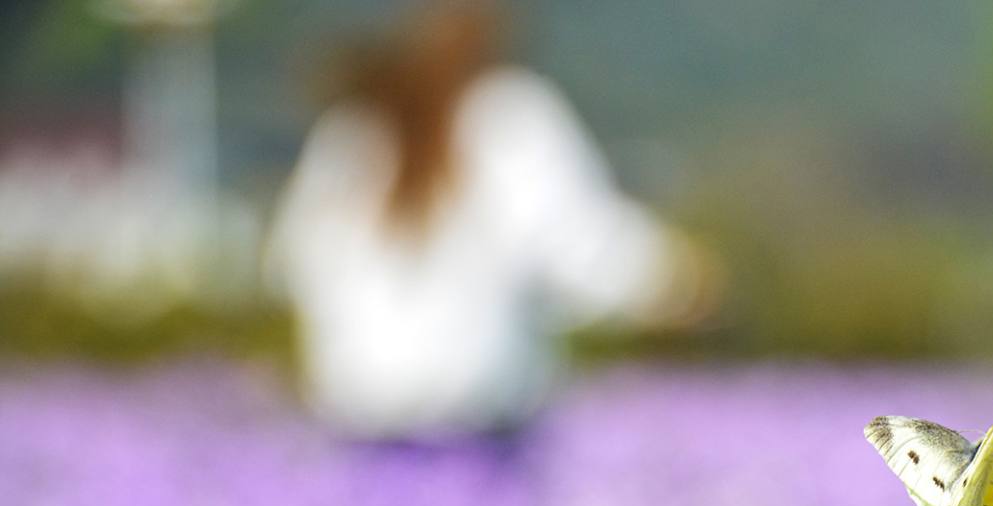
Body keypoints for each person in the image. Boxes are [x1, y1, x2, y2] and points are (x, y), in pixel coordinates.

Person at [266, 1, 713, 438]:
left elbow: (291, 261)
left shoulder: (353, 129)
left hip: (363, 424)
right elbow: (581, 246)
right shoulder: (509, 118)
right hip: (478, 427)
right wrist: (675, 279)